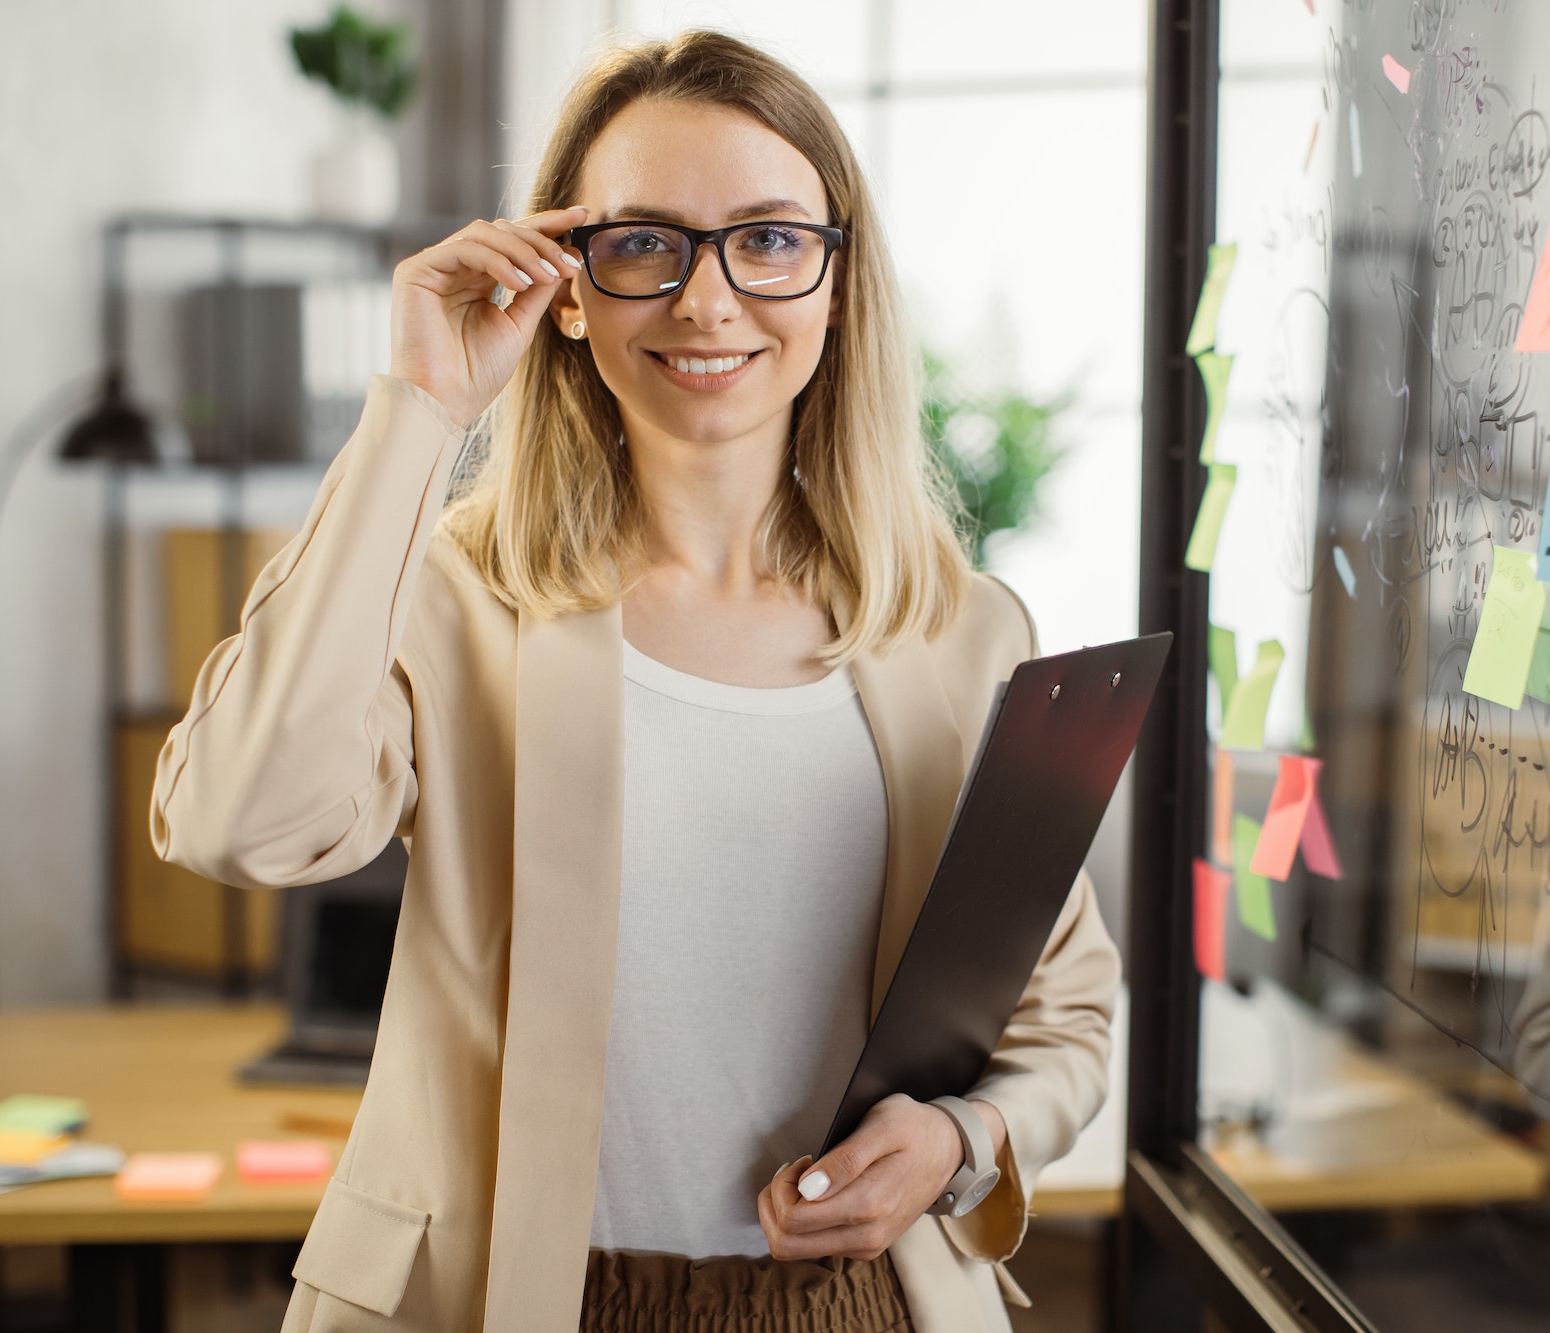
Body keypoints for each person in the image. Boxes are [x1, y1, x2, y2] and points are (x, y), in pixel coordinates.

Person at [149, 28, 1118, 1333]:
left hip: (862, 1307)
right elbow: (237, 818)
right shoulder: (457, 596)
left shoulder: (962, 631)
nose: (708, 303)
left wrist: (963, 1139)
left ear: (840, 283)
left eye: (770, 239)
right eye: (645, 242)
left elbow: (1066, 1014)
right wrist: (417, 411)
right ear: (566, 281)